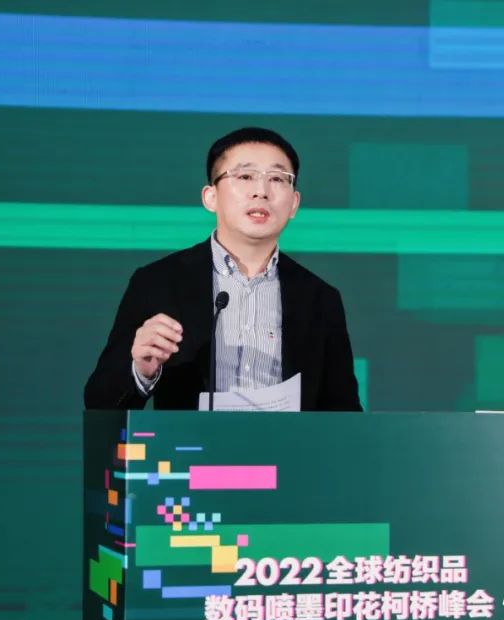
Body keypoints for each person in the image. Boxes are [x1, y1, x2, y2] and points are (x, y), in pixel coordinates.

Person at [84, 127, 362, 411]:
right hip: (190, 441)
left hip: (286, 441)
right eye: (245, 176)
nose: (261, 191)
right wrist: (141, 372)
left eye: (277, 178)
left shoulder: (320, 298)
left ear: (294, 203)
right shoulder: (158, 282)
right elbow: (99, 403)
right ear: (211, 197)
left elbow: (344, 414)